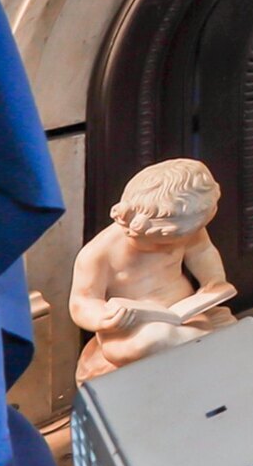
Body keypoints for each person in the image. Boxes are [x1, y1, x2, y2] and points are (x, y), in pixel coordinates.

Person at [70, 158, 239, 380]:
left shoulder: (184, 232)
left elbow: (202, 252)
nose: (171, 248)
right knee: (155, 339)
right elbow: (82, 301)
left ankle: (198, 350)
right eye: (163, 242)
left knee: (223, 332)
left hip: (184, 314)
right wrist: (104, 317)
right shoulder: (99, 253)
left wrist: (213, 280)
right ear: (133, 227)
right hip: (131, 330)